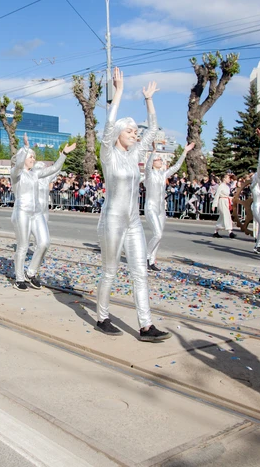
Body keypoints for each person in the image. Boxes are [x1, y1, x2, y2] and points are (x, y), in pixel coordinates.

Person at [95, 67, 170, 342]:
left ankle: (146, 326)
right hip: (112, 220)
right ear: (118, 133)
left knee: (140, 272)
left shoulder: (135, 153)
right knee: (110, 271)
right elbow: (105, 129)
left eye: (135, 131)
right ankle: (102, 317)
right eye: (130, 131)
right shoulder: (108, 154)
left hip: (133, 221)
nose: (135, 134)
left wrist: (148, 100)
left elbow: (152, 131)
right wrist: (118, 94)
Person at [11, 134, 73, 290]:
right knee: (23, 246)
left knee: (44, 243)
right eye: (30, 157)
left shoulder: (35, 174)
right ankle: (19, 278)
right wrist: (25, 147)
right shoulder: (16, 173)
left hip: (37, 213)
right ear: (23, 157)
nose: (33, 159)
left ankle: (31, 273)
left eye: (34, 157)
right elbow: (18, 165)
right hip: (22, 212)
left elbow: (54, 169)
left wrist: (64, 154)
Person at [144, 141, 194, 271]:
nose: (161, 161)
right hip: (151, 207)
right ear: (154, 162)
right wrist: (153, 152)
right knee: (157, 234)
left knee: (159, 236)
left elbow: (176, 167)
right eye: (158, 159)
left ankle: (152, 261)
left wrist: (185, 152)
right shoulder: (149, 175)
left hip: (161, 208)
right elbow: (147, 166)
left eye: (161, 159)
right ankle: (146, 257)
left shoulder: (163, 175)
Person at [212, 173, 235, 238]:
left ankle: (216, 231)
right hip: (222, 202)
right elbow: (217, 195)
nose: (229, 179)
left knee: (222, 217)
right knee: (226, 215)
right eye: (228, 178)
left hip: (226, 201)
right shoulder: (221, 186)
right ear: (224, 179)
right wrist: (214, 205)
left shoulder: (228, 186)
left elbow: (228, 194)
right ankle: (230, 231)